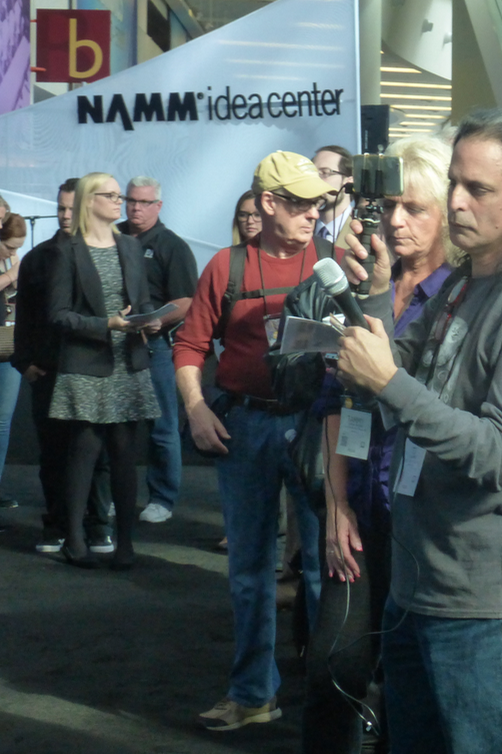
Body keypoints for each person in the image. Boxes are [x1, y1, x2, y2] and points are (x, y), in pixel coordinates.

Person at [337, 109, 502, 754]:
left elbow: (501, 454)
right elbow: (402, 372)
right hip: (422, 577)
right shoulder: (465, 281)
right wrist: (375, 293)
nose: (455, 201)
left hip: (483, 597)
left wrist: (386, 381)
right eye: (454, 182)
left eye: (478, 189)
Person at [302, 135, 456, 754]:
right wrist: (336, 505)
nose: (397, 221)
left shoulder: (458, 298)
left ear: (447, 215)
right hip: (360, 509)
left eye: (415, 209)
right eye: (391, 206)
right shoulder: (360, 288)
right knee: (332, 670)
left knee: (408, 688)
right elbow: (335, 403)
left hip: (425, 522)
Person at [173, 151, 336, 731]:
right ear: (269, 203)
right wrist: (196, 409)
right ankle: (252, 695)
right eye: (302, 203)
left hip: (317, 424)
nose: (314, 213)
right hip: (245, 426)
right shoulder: (227, 266)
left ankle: (333, 699)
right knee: (249, 569)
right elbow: (190, 345)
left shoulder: (333, 262)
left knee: (325, 567)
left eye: (319, 203)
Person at [47, 172, 160, 569]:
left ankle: (124, 542)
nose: (119, 202)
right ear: (89, 200)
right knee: (84, 452)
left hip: (128, 363)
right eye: (111, 195)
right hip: (86, 363)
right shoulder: (67, 251)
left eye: (119, 195)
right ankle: (75, 538)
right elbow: (58, 315)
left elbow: (142, 301)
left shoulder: (129, 246)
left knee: (125, 456)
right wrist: (105, 325)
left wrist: (151, 319)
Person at [13, 179, 115, 552]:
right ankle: (56, 525)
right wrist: (23, 363)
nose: (65, 215)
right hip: (49, 371)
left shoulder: (105, 253)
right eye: (60, 208)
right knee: (54, 454)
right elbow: (25, 317)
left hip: (94, 369)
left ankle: (98, 525)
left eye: (72, 208)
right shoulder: (38, 258)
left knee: (97, 453)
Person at [118, 176, 198, 525]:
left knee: (162, 426)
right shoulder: (111, 236)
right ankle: (111, 494)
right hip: (111, 342)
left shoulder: (171, 245)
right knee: (112, 427)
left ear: (158, 206)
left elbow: (186, 301)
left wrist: (158, 320)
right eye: (131, 200)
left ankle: (163, 498)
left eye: (144, 202)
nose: (135, 207)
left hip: (154, 345)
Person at [0, 212, 24, 508]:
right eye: (10, 246)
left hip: (8, 344)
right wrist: (12, 275)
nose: (13, 253)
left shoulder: (9, 261)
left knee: (3, 419)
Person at [314, 145, 355, 246]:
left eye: (324, 173)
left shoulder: (361, 231)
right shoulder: (300, 228)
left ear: (348, 181)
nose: (315, 180)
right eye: (313, 174)